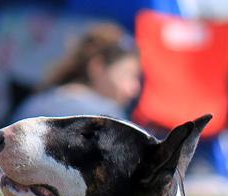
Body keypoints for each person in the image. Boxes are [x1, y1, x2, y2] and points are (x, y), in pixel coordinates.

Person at [10, 23, 141, 124]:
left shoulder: (37, 103)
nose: (135, 88)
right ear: (98, 67)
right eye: (128, 75)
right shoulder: (108, 117)